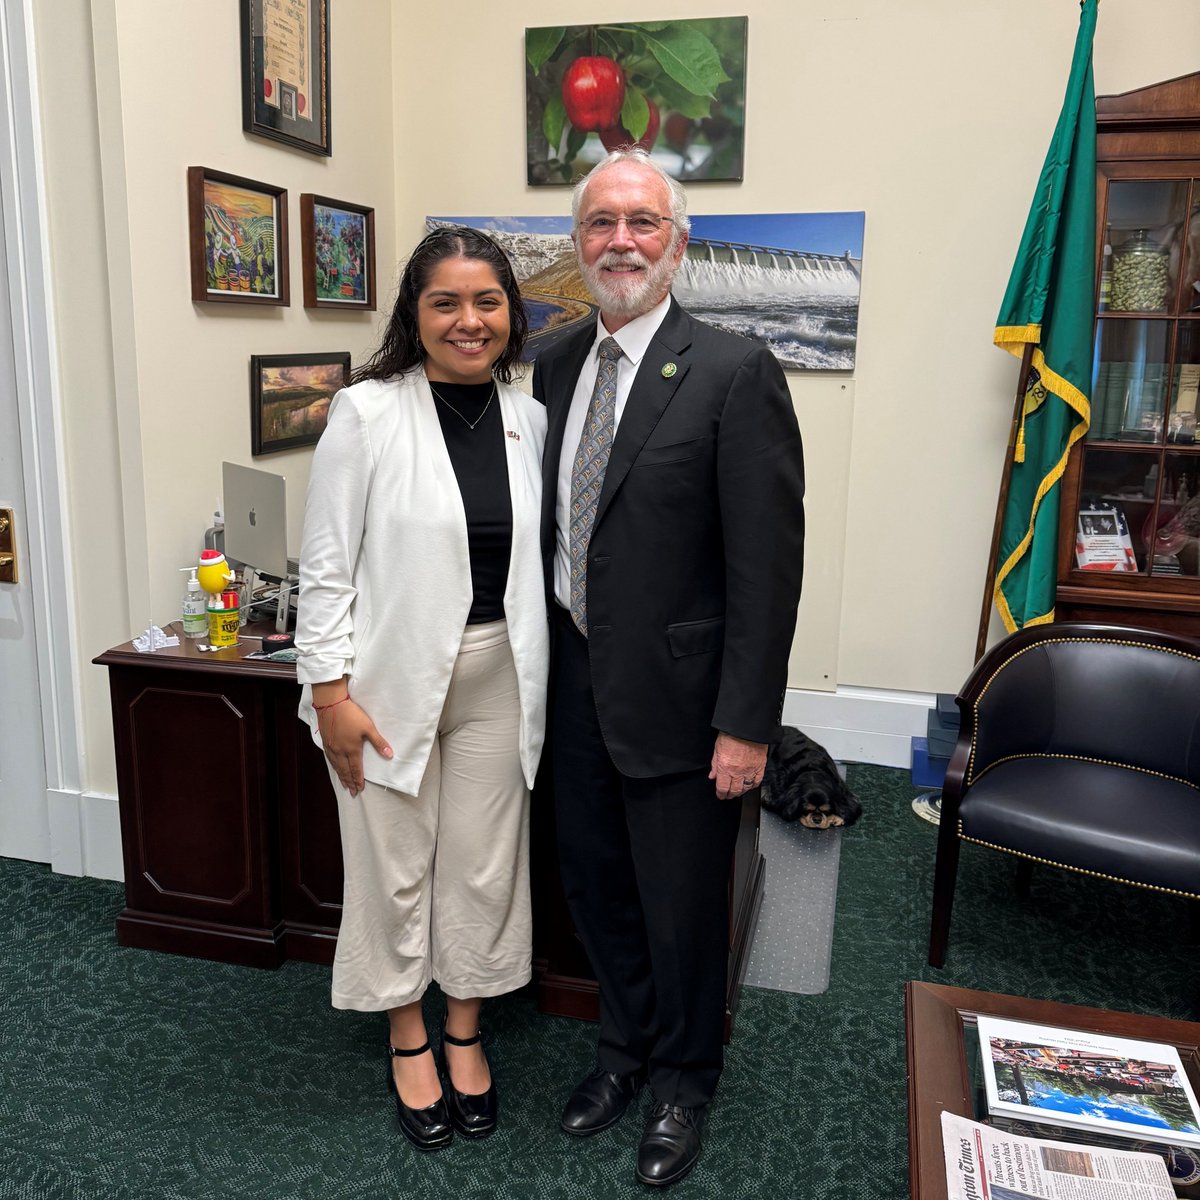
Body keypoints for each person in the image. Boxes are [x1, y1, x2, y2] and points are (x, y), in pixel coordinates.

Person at [533, 150, 805, 1188]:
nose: (621, 242)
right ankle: (623, 1050)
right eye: (602, 223)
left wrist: (748, 726)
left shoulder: (736, 369)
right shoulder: (555, 363)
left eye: (643, 223)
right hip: (572, 687)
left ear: (677, 242)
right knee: (598, 889)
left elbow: (766, 569)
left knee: (683, 904)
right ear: (578, 244)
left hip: (687, 707)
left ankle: (686, 1078)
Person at [294, 227, 548, 1152]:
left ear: (511, 314)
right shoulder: (364, 413)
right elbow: (323, 570)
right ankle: (407, 1036)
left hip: (500, 678)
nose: (469, 321)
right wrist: (330, 697)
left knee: (482, 866)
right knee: (392, 868)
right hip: (384, 686)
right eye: (446, 302)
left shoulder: (530, 416)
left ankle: (465, 1029)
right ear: (415, 313)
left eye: (487, 301)